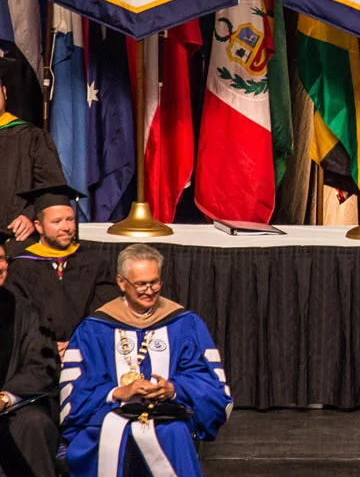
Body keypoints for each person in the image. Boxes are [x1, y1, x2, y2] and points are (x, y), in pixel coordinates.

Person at [61, 244, 232, 477]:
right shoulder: (95, 328)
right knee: (106, 437)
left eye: (155, 282)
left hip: (168, 417)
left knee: (173, 433)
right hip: (109, 414)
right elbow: (76, 390)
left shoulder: (183, 324)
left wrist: (173, 389)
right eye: (141, 284)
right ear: (121, 282)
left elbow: (208, 382)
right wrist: (117, 392)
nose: (150, 291)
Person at [5, 185, 117, 354]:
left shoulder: (93, 263)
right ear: (39, 226)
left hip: (86, 350)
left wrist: (77, 343)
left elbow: (105, 311)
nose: (66, 227)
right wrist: (46, 344)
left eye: (70, 219)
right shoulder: (20, 267)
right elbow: (17, 317)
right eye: (57, 222)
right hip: (36, 354)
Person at [0, 235, 60, 477]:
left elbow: (43, 364)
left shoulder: (26, 310)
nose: (0, 266)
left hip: (13, 406)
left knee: (35, 423)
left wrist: (5, 397)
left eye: (2, 258)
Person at [0, 59, 66, 245]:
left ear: (4, 92)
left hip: (14, 239)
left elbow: (52, 189)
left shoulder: (31, 137)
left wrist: (30, 216)